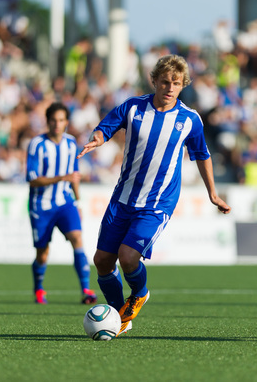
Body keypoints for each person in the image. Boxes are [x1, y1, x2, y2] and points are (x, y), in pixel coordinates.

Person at [77, 54, 231, 335]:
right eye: (165, 82)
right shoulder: (134, 107)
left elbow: (202, 155)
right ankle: (119, 315)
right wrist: (97, 139)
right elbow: (107, 127)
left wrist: (213, 193)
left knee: (128, 256)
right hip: (123, 197)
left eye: (176, 83)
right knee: (101, 261)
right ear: (154, 81)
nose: (170, 88)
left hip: (157, 203)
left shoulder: (189, 119)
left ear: (183, 84)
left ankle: (140, 292)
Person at [26, 102, 97, 305]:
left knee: (77, 238)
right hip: (42, 206)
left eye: (61, 120)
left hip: (65, 203)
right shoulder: (37, 144)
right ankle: (39, 289)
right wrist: (61, 178)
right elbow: (32, 178)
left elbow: (74, 176)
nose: (57, 124)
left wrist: (78, 202)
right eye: (53, 120)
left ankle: (86, 290)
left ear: (66, 122)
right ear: (47, 122)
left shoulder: (71, 143)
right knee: (42, 253)